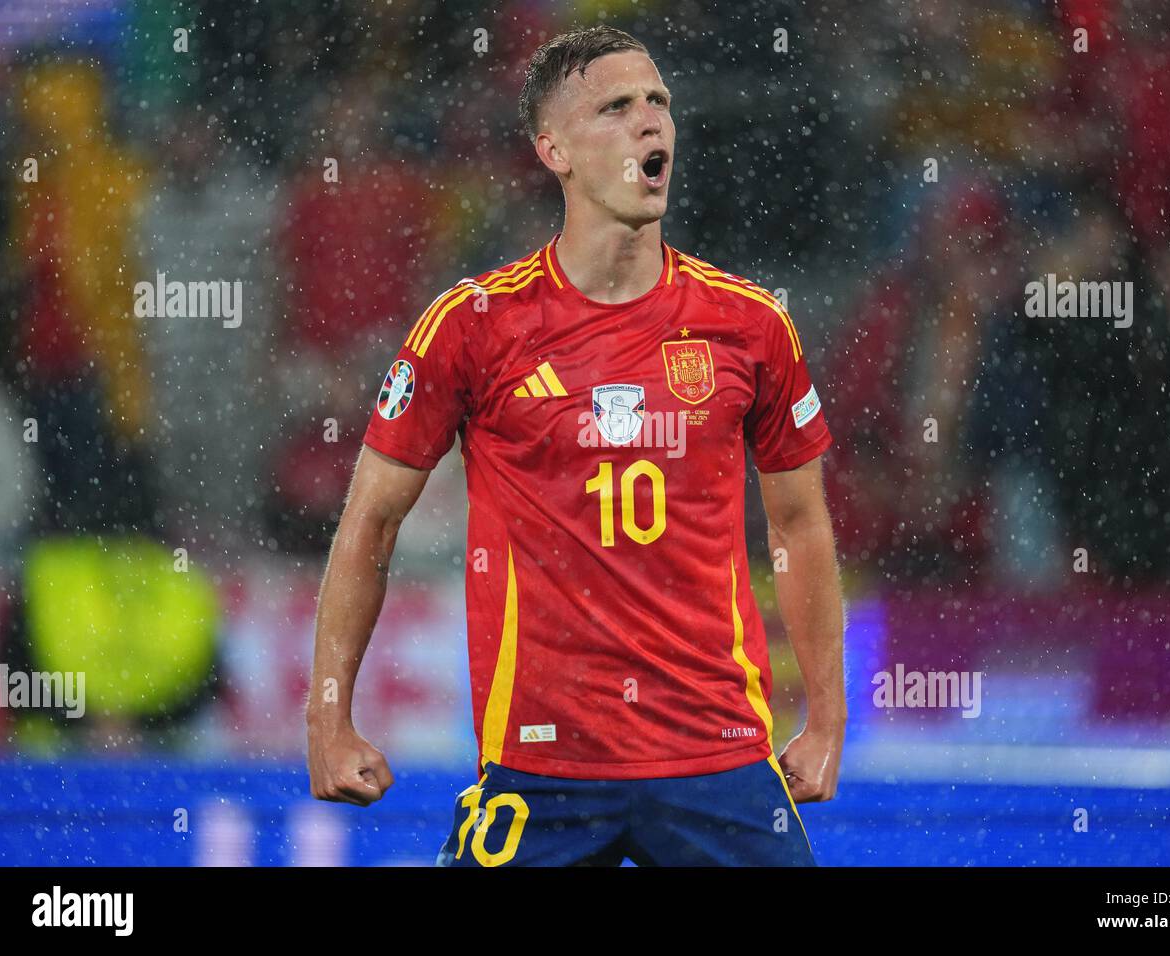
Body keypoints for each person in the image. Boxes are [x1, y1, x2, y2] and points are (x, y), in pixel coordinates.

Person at [306, 26, 844, 867]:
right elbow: (368, 525)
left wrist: (828, 718)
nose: (650, 122)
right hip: (539, 762)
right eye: (618, 106)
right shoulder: (473, 327)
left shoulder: (750, 325)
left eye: (659, 102)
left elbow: (802, 525)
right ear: (552, 149)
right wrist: (327, 719)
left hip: (720, 756)